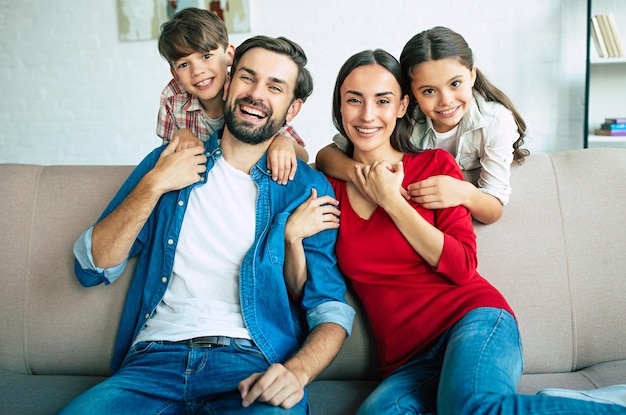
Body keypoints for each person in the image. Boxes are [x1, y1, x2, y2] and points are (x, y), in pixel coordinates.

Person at [288, 48, 626, 414]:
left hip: (473, 321)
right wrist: (293, 236)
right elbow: (311, 285)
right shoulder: (328, 188)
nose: (368, 114)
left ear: (402, 106)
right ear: (339, 108)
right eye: (354, 100)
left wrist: (393, 201)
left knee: (471, 407)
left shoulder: (434, 165)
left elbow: (461, 265)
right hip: (407, 361)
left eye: (382, 100)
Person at [60, 35, 355, 415]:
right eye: (248, 78)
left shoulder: (306, 188)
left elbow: (329, 309)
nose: (256, 94)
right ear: (228, 83)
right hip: (152, 363)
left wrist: (296, 373)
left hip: (252, 363)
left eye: (275, 87)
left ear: (292, 108)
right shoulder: (169, 160)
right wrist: (155, 182)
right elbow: (92, 268)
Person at [315, 26, 529, 224]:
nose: (446, 100)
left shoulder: (495, 122)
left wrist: (463, 192)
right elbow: (327, 156)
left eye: (455, 84)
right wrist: (361, 174)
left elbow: (494, 206)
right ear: (411, 95)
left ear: (472, 75)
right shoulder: (402, 117)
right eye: (429, 91)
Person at [157, 7, 307, 184]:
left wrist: (284, 143)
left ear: (229, 56)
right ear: (174, 74)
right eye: (183, 65)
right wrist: (179, 135)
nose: (197, 71)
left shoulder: (245, 96)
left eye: (206, 56)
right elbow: (164, 159)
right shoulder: (172, 98)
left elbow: (303, 154)